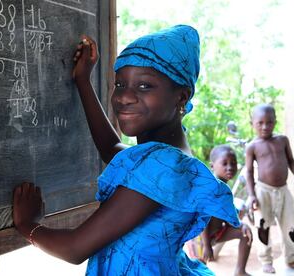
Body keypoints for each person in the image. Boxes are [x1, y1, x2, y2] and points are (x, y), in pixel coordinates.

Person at [12, 25, 240, 275]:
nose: (124, 97)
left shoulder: (162, 164)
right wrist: (83, 81)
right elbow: (112, 148)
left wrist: (28, 225)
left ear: (181, 97)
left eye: (144, 86)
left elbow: (75, 248)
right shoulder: (167, 157)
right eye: (120, 84)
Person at [245, 103, 294, 273]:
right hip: (262, 191)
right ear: (252, 124)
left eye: (269, 122)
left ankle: (291, 258)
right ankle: (266, 260)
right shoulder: (252, 146)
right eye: (260, 123)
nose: (265, 126)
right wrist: (251, 195)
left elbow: (291, 161)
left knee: (291, 225)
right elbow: (249, 172)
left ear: (275, 122)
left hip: (283, 190)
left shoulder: (282, 140)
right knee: (262, 225)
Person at [201, 145, 253, 276]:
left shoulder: (225, 188)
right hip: (201, 236)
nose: (230, 167)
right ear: (212, 166)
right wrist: (206, 245)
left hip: (218, 232)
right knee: (199, 266)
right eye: (224, 163)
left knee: (245, 232)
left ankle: (240, 271)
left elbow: (226, 215)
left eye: (233, 163)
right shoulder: (211, 188)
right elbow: (202, 219)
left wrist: (241, 225)